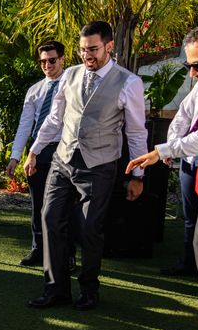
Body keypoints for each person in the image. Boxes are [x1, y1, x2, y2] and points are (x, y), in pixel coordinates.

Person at [24, 20, 148, 311]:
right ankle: (56, 289)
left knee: (89, 228)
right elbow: (55, 119)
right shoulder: (70, 75)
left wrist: (139, 174)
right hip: (63, 159)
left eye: (92, 49)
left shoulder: (129, 82)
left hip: (100, 165)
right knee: (50, 218)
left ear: (109, 47)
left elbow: (136, 132)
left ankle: (89, 290)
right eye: (82, 50)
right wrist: (34, 150)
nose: (87, 56)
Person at [127, 21, 198, 330]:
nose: (194, 73)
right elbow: (194, 131)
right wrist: (163, 150)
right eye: (190, 66)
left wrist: (164, 151)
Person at [6, 40, 75, 268]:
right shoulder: (34, 90)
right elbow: (25, 124)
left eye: (52, 60)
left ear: (62, 59)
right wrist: (16, 156)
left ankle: (67, 254)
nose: (47, 65)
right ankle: (38, 250)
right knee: (38, 203)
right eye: (43, 61)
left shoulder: (73, 84)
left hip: (65, 148)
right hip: (37, 151)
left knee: (64, 204)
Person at [161, 83, 198, 276]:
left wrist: (167, 149)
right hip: (192, 163)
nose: (193, 72)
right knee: (191, 218)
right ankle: (190, 263)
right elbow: (183, 116)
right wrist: (171, 144)